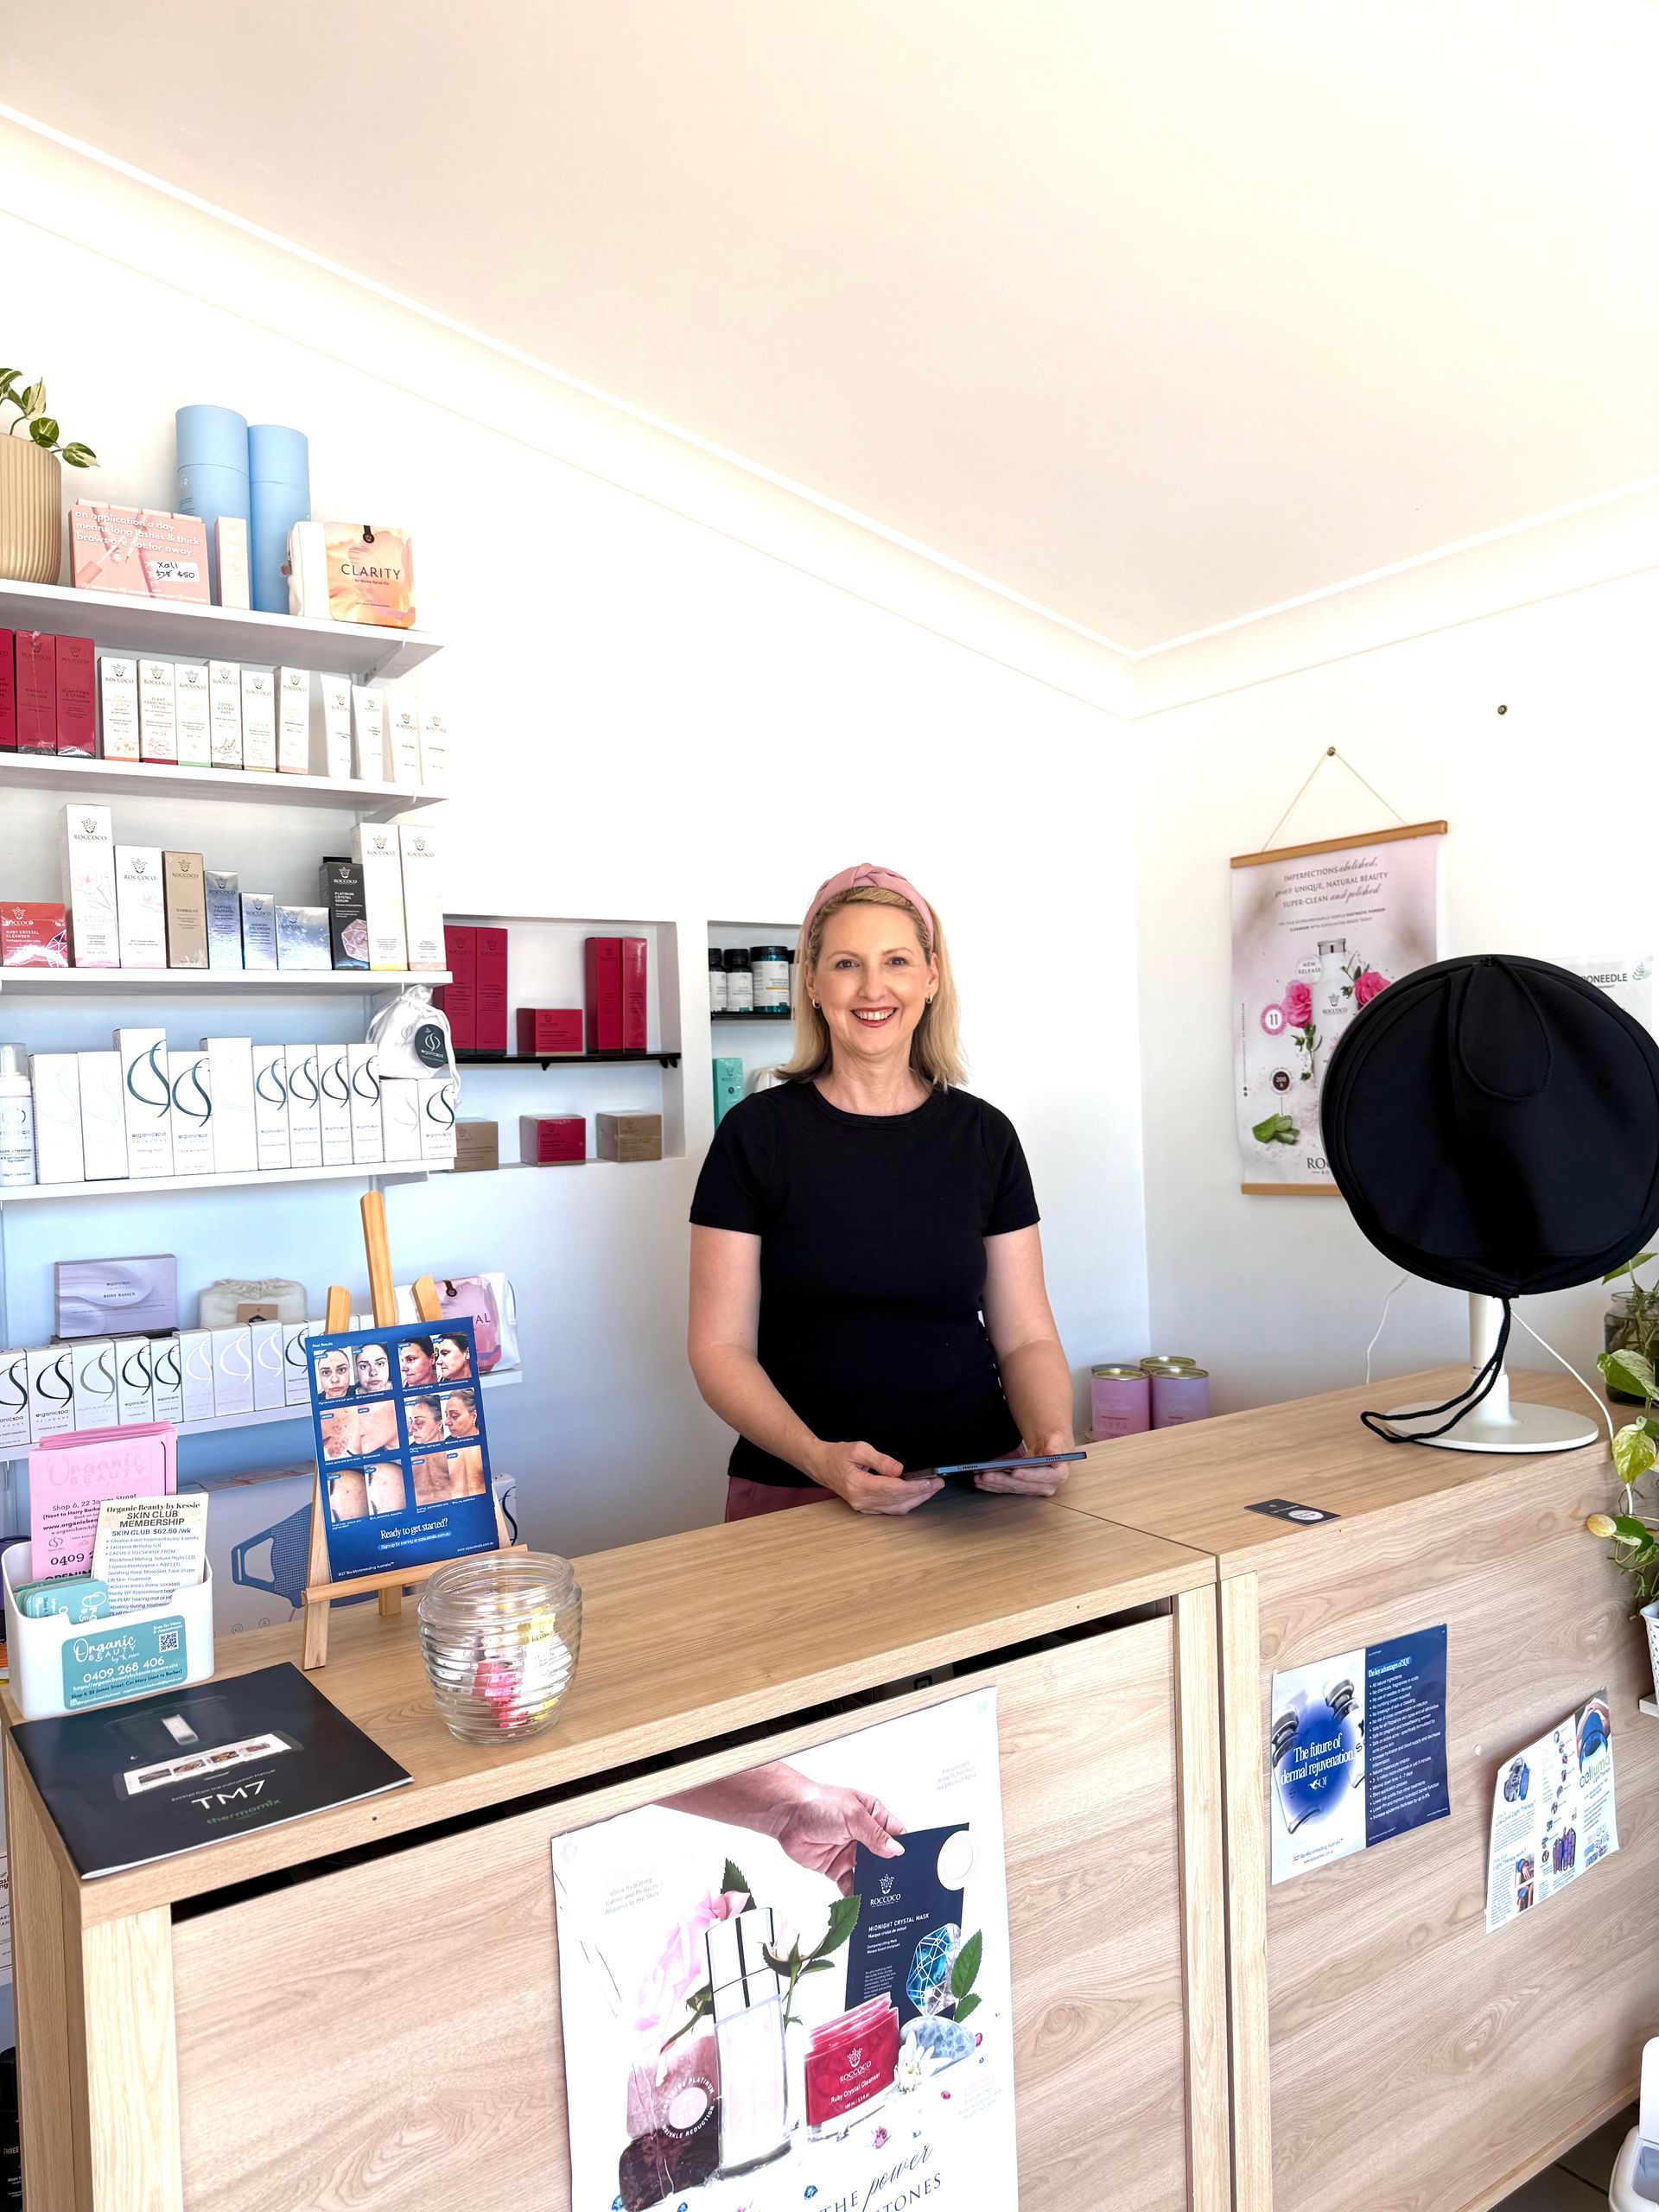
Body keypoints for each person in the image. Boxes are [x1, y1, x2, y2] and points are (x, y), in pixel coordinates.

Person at [689, 862, 1074, 1522]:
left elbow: (1026, 1339)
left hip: (977, 1490)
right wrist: (818, 1459)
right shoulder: (755, 1135)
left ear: (930, 978)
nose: (873, 988)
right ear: (810, 984)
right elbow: (718, 1349)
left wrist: (1050, 1438)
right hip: (800, 1495)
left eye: (896, 961)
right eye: (846, 964)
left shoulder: (984, 1136)